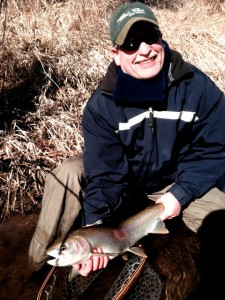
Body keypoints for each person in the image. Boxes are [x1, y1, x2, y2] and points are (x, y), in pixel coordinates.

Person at [28, 2, 225, 278]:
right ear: (116, 54)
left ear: (160, 37)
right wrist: (93, 228)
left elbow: (215, 149)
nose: (144, 49)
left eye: (150, 36)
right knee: (68, 173)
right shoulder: (101, 106)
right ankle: (35, 268)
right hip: (124, 182)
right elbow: (106, 176)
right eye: (131, 43)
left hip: (174, 181)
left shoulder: (196, 87)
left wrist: (181, 194)